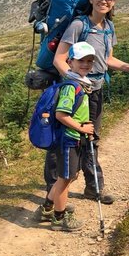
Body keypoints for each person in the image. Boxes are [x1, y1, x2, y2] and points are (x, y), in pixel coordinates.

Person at [44, 0, 129, 204]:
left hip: (97, 92)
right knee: (67, 139)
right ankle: (53, 192)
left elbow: (107, 59)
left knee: (91, 138)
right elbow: (59, 59)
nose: (104, 0)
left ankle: (94, 188)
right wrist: (77, 81)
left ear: (113, 2)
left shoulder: (109, 28)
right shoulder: (78, 25)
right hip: (76, 93)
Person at [40, 41, 96, 231]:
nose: (86, 64)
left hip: (75, 137)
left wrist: (84, 125)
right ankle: (59, 218)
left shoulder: (81, 84)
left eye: (90, 61)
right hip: (68, 139)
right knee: (65, 178)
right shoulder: (71, 87)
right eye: (81, 60)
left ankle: (47, 207)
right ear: (70, 61)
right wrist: (81, 128)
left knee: (67, 177)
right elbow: (61, 115)